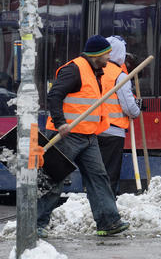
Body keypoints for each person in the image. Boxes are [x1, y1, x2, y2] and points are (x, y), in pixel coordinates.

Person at [37, 35, 129, 238]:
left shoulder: (96, 71)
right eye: (106, 54)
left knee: (99, 178)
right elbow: (54, 96)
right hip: (66, 136)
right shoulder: (74, 70)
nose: (109, 57)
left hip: (88, 136)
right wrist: (61, 123)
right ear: (97, 55)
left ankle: (108, 221)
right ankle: (35, 223)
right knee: (54, 180)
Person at [98, 36, 141, 195]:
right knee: (110, 174)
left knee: (96, 173)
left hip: (93, 129)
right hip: (113, 132)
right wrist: (137, 109)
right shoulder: (119, 75)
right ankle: (107, 204)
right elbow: (129, 107)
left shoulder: (95, 70)